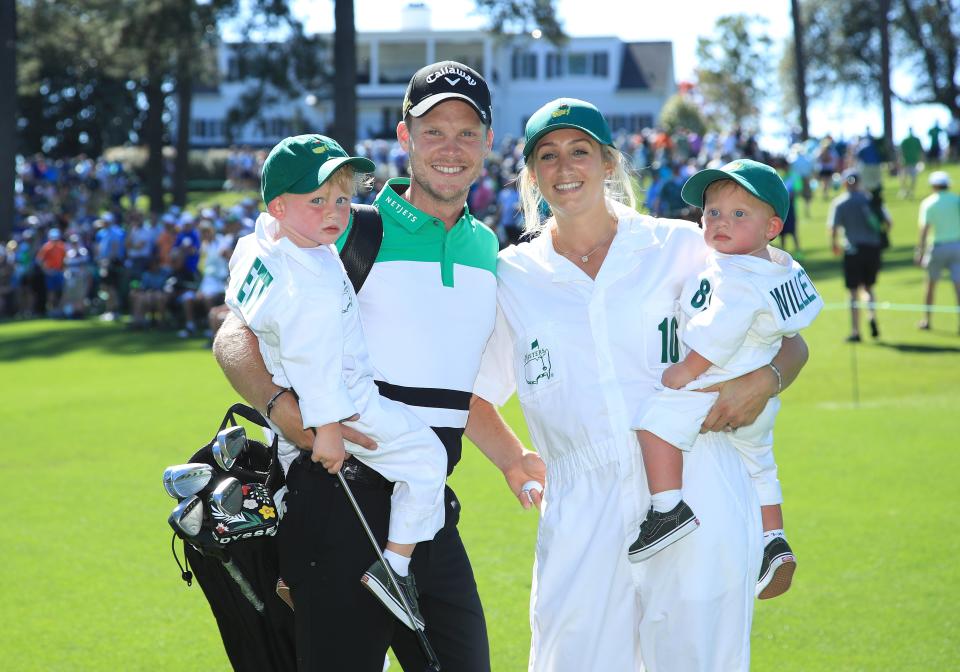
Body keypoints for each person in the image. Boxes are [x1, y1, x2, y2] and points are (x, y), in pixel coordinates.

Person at [213, 61, 543, 672]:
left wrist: (512, 457)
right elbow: (234, 334)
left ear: (490, 142)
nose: (451, 147)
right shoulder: (343, 225)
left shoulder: (487, 251)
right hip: (336, 497)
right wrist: (287, 417)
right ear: (404, 137)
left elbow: (455, 392)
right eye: (433, 130)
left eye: (467, 132)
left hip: (426, 510)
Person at [471, 98, 808, 671]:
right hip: (580, 505)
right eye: (547, 155)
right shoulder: (513, 276)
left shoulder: (685, 243)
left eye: (581, 151)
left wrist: (766, 380)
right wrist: (512, 458)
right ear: (530, 174)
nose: (565, 166)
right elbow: (472, 394)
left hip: (696, 480)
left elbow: (790, 334)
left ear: (609, 163)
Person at [225, 134, 449, 629]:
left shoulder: (263, 241)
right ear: (280, 205)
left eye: (343, 199)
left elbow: (242, 300)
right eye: (318, 200)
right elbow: (316, 359)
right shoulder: (310, 285)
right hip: (346, 403)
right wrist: (326, 429)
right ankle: (395, 567)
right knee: (429, 462)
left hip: (291, 398)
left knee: (288, 488)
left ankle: (288, 571)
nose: (336, 212)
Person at [629, 159, 822, 603]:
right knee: (760, 465)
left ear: (771, 226)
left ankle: (667, 509)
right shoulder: (776, 268)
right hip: (760, 402)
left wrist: (686, 370)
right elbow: (793, 332)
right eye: (712, 212)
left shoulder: (736, 277)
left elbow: (720, 333)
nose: (720, 222)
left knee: (653, 422)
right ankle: (773, 537)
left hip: (718, 385)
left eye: (739, 215)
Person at [829, 170, 885, 342]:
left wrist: (834, 245)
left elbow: (833, 228)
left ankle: (855, 331)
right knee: (868, 288)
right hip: (872, 248)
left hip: (852, 249)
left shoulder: (841, 203)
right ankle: (871, 317)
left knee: (853, 292)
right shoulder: (869, 200)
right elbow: (887, 222)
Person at [915, 170, 960, 332]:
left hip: (938, 247)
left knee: (930, 285)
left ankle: (926, 320)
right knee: (958, 287)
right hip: (957, 246)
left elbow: (924, 230)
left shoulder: (929, 203)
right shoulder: (956, 200)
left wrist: (919, 252)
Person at [898, 128, 924, 199]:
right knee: (912, 178)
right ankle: (908, 191)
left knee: (905, 178)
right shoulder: (915, 140)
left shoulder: (905, 140)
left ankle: (907, 191)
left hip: (909, 162)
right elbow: (921, 150)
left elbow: (900, 152)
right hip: (910, 162)